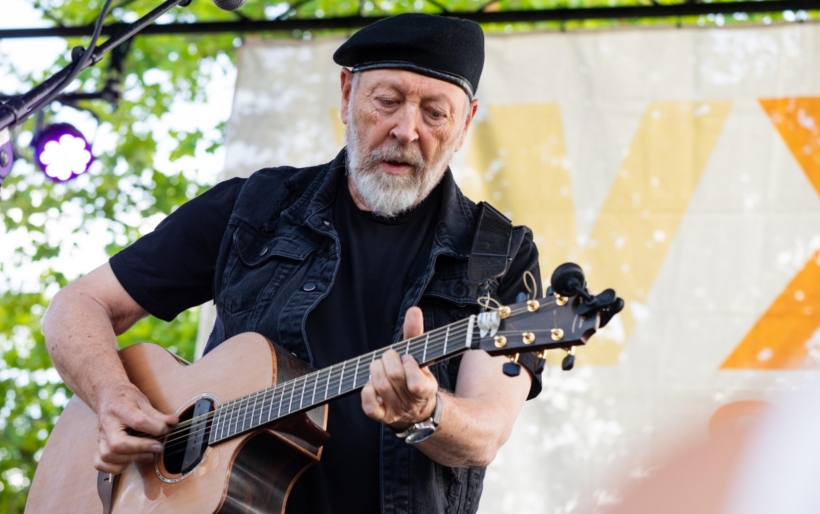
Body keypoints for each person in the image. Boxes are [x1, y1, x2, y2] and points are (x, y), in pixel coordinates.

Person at [43, 13, 543, 514]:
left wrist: (426, 412)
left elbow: (486, 432)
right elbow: (77, 305)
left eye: (435, 113)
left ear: (465, 123)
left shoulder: (500, 253)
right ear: (347, 94)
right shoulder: (253, 207)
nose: (406, 129)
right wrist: (111, 397)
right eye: (387, 102)